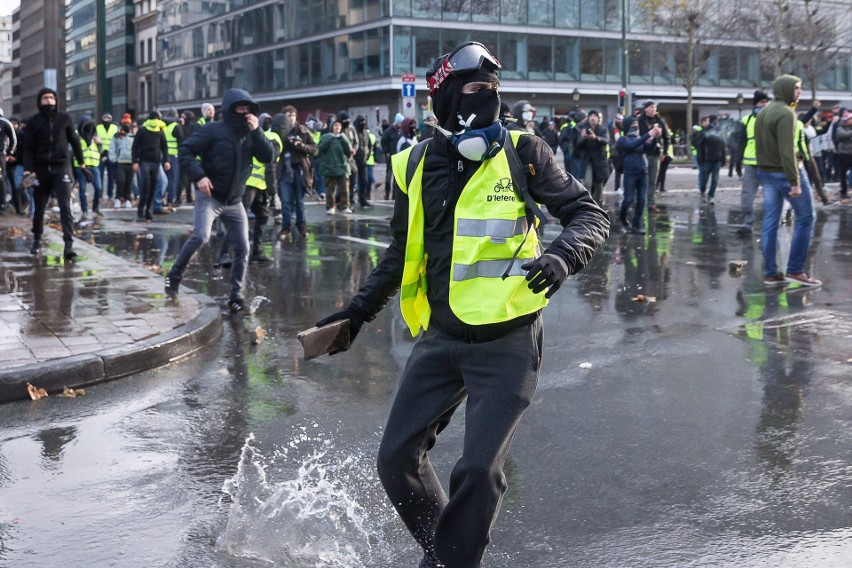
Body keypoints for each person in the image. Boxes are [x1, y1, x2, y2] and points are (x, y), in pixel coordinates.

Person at [315, 41, 610, 568]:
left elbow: (588, 214)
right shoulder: (412, 163)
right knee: (396, 461)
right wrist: (354, 314)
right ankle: (450, 554)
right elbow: (397, 255)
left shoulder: (524, 150)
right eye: (476, 91)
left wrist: (564, 257)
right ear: (446, 97)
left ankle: (453, 562)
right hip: (442, 337)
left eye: (495, 92)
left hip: (510, 338)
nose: (488, 101)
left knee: (479, 472)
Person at [165, 88, 273, 312]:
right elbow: (185, 151)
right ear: (230, 109)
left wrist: (257, 132)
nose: (244, 113)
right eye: (240, 108)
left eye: (248, 109)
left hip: (235, 201)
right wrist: (199, 176)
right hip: (210, 197)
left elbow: (268, 156)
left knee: (243, 246)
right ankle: (174, 276)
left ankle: (236, 296)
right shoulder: (213, 130)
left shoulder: (251, 135)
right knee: (201, 236)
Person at [755, 74, 819, 287]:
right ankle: (795, 270)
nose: (800, 92)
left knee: (771, 221)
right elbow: (787, 151)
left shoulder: (764, 112)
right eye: (797, 88)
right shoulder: (786, 113)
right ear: (785, 89)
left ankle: (771, 273)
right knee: (806, 217)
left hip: (766, 173)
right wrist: (794, 181)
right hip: (785, 173)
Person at [22, 87, 87, 259]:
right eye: (45, 98)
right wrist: (28, 169)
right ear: (40, 101)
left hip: (61, 167)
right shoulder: (33, 122)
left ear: (56, 100)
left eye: (52, 98)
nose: (49, 101)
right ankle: (36, 238)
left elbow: (75, 141)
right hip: (41, 169)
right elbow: (28, 148)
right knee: (39, 208)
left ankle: (68, 245)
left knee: (65, 205)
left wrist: (82, 164)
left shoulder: (64, 119)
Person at [278, 105, 318, 237]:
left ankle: (302, 226)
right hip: (284, 169)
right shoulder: (279, 131)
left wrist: (300, 145)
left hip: (300, 169)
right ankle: (286, 227)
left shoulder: (303, 130)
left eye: (293, 115)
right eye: (288, 115)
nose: (291, 118)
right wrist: (285, 141)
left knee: (300, 201)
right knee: (285, 200)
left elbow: (314, 149)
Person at [618, 115, 662, 233]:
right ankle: (622, 218)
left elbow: (649, 148)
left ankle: (636, 225)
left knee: (642, 200)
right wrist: (648, 134)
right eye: (633, 125)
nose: (635, 128)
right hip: (630, 173)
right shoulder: (623, 140)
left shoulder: (640, 139)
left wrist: (655, 138)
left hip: (643, 172)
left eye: (636, 125)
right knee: (628, 199)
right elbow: (632, 145)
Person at [737, 89, 771, 236]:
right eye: (762, 102)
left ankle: (769, 224)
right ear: (756, 104)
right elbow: (740, 142)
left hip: (769, 163)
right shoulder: (746, 120)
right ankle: (746, 223)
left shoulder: (773, 118)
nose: (765, 104)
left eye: (767, 102)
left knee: (770, 195)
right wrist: (737, 162)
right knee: (747, 194)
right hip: (751, 162)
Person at [131, 111, 170, 222]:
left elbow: (164, 147)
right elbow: (135, 147)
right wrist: (135, 161)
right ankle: (141, 208)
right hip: (145, 162)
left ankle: (148, 209)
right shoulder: (142, 130)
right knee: (146, 184)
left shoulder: (160, 132)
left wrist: (166, 160)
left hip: (156, 162)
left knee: (153, 186)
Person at [636, 100, 671, 211]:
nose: (654, 109)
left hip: (655, 153)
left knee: (652, 179)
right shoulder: (639, 120)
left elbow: (667, 137)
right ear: (646, 109)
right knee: (641, 178)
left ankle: (651, 202)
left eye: (655, 107)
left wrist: (664, 152)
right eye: (651, 107)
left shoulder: (660, 120)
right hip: (642, 153)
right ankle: (639, 199)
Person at [573, 109, 610, 205]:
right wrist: (583, 138)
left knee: (599, 185)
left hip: (599, 161)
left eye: (595, 116)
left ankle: (596, 205)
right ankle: (589, 205)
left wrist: (596, 138)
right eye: (591, 116)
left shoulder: (602, 129)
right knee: (587, 183)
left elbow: (606, 140)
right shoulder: (583, 129)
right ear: (588, 118)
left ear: (598, 119)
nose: (593, 118)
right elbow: (578, 145)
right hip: (587, 160)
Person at [317, 119, 352, 215]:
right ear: (332, 127)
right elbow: (320, 148)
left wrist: (344, 139)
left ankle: (345, 206)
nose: (337, 128)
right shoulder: (326, 137)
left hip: (342, 167)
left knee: (345, 189)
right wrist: (330, 138)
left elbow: (348, 151)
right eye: (335, 125)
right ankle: (330, 206)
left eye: (339, 126)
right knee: (330, 189)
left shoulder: (343, 138)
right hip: (330, 167)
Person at [694, 115, 726, 204]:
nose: (716, 123)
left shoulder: (720, 131)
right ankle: (703, 192)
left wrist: (723, 158)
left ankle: (711, 196)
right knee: (704, 179)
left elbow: (722, 146)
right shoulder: (704, 132)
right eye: (715, 121)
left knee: (715, 180)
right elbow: (698, 145)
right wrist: (700, 159)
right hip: (706, 160)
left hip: (717, 160)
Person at [108, 121, 135, 208]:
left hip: (131, 162)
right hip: (120, 163)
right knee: (120, 181)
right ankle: (118, 198)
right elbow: (112, 148)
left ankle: (127, 199)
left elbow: (137, 148)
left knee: (129, 182)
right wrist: (114, 160)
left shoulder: (133, 136)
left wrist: (136, 160)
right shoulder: (117, 136)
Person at [95, 113, 119, 202]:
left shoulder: (115, 128)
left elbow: (117, 141)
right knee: (100, 175)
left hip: (111, 154)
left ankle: (110, 194)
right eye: (105, 118)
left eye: (108, 118)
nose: (106, 120)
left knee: (111, 176)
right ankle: (100, 194)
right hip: (101, 154)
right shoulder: (98, 128)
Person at [380, 113, 403, 199]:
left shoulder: (401, 131)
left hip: (399, 157)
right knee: (389, 176)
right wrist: (387, 152)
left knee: (397, 177)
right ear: (396, 122)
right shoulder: (389, 131)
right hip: (391, 156)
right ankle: (387, 194)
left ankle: (394, 195)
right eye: (400, 122)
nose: (401, 123)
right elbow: (383, 142)